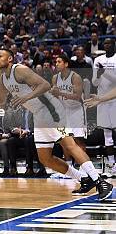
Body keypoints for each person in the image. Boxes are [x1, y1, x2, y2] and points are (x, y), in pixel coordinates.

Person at [0, 49, 112, 200]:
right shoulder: (4, 78)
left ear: (10, 59)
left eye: (0, 55)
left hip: (51, 110)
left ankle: (100, 182)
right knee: (45, 158)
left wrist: (25, 98)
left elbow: (45, 85)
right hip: (39, 115)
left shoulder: (20, 69)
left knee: (70, 145)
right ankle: (83, 178)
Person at [50, 54, 89, 184]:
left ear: (66, 64)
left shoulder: (75, 77)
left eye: (59, 61)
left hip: (77, 111)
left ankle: (85, 170)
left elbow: (78, 96)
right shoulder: (55, 78)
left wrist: (60, 93)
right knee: (65, 141)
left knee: (78, 141)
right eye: (56, 62)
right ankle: (70, 170)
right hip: (64, 112)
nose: (56, 64)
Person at [91, 38, 116, 178]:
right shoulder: (98, 60)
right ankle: (112, 166)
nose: (106, 45)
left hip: (114, 98)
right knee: (107, 136)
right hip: (102, 100)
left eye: (109, 43)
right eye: (105, 43)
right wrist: (99, 74)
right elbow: (95, 82)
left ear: (114, 45)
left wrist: (104, 71)